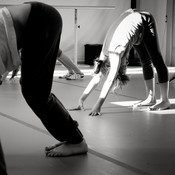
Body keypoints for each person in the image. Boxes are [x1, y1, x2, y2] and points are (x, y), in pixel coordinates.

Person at [0, 2, 88, 157]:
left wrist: (76, 70)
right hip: (39, 18)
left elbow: (59, 54)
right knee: (34, 90)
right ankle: (72, 138)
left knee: (35, 93)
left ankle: (76, 141)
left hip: (40, 19)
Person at [70, 9, 170, 116]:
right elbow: (97, 77)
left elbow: (110, 80)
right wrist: (81, 99)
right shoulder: (104, 54)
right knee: (145, 61)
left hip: (144, 19)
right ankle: (151, 98)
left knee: (156, 59)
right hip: (131, 23)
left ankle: (165, 100)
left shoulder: (116, 52)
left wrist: (98, 105)